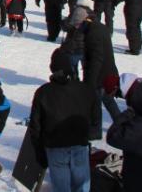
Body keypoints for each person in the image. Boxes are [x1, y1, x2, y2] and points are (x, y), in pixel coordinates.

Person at [29, 49, 98, 192]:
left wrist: (39, 153)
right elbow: (95, 115)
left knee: (62, 188)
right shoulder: (85, 89)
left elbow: (35, 126)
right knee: (82, 186)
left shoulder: (44, 92)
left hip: (57, 148)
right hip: (78, 144)